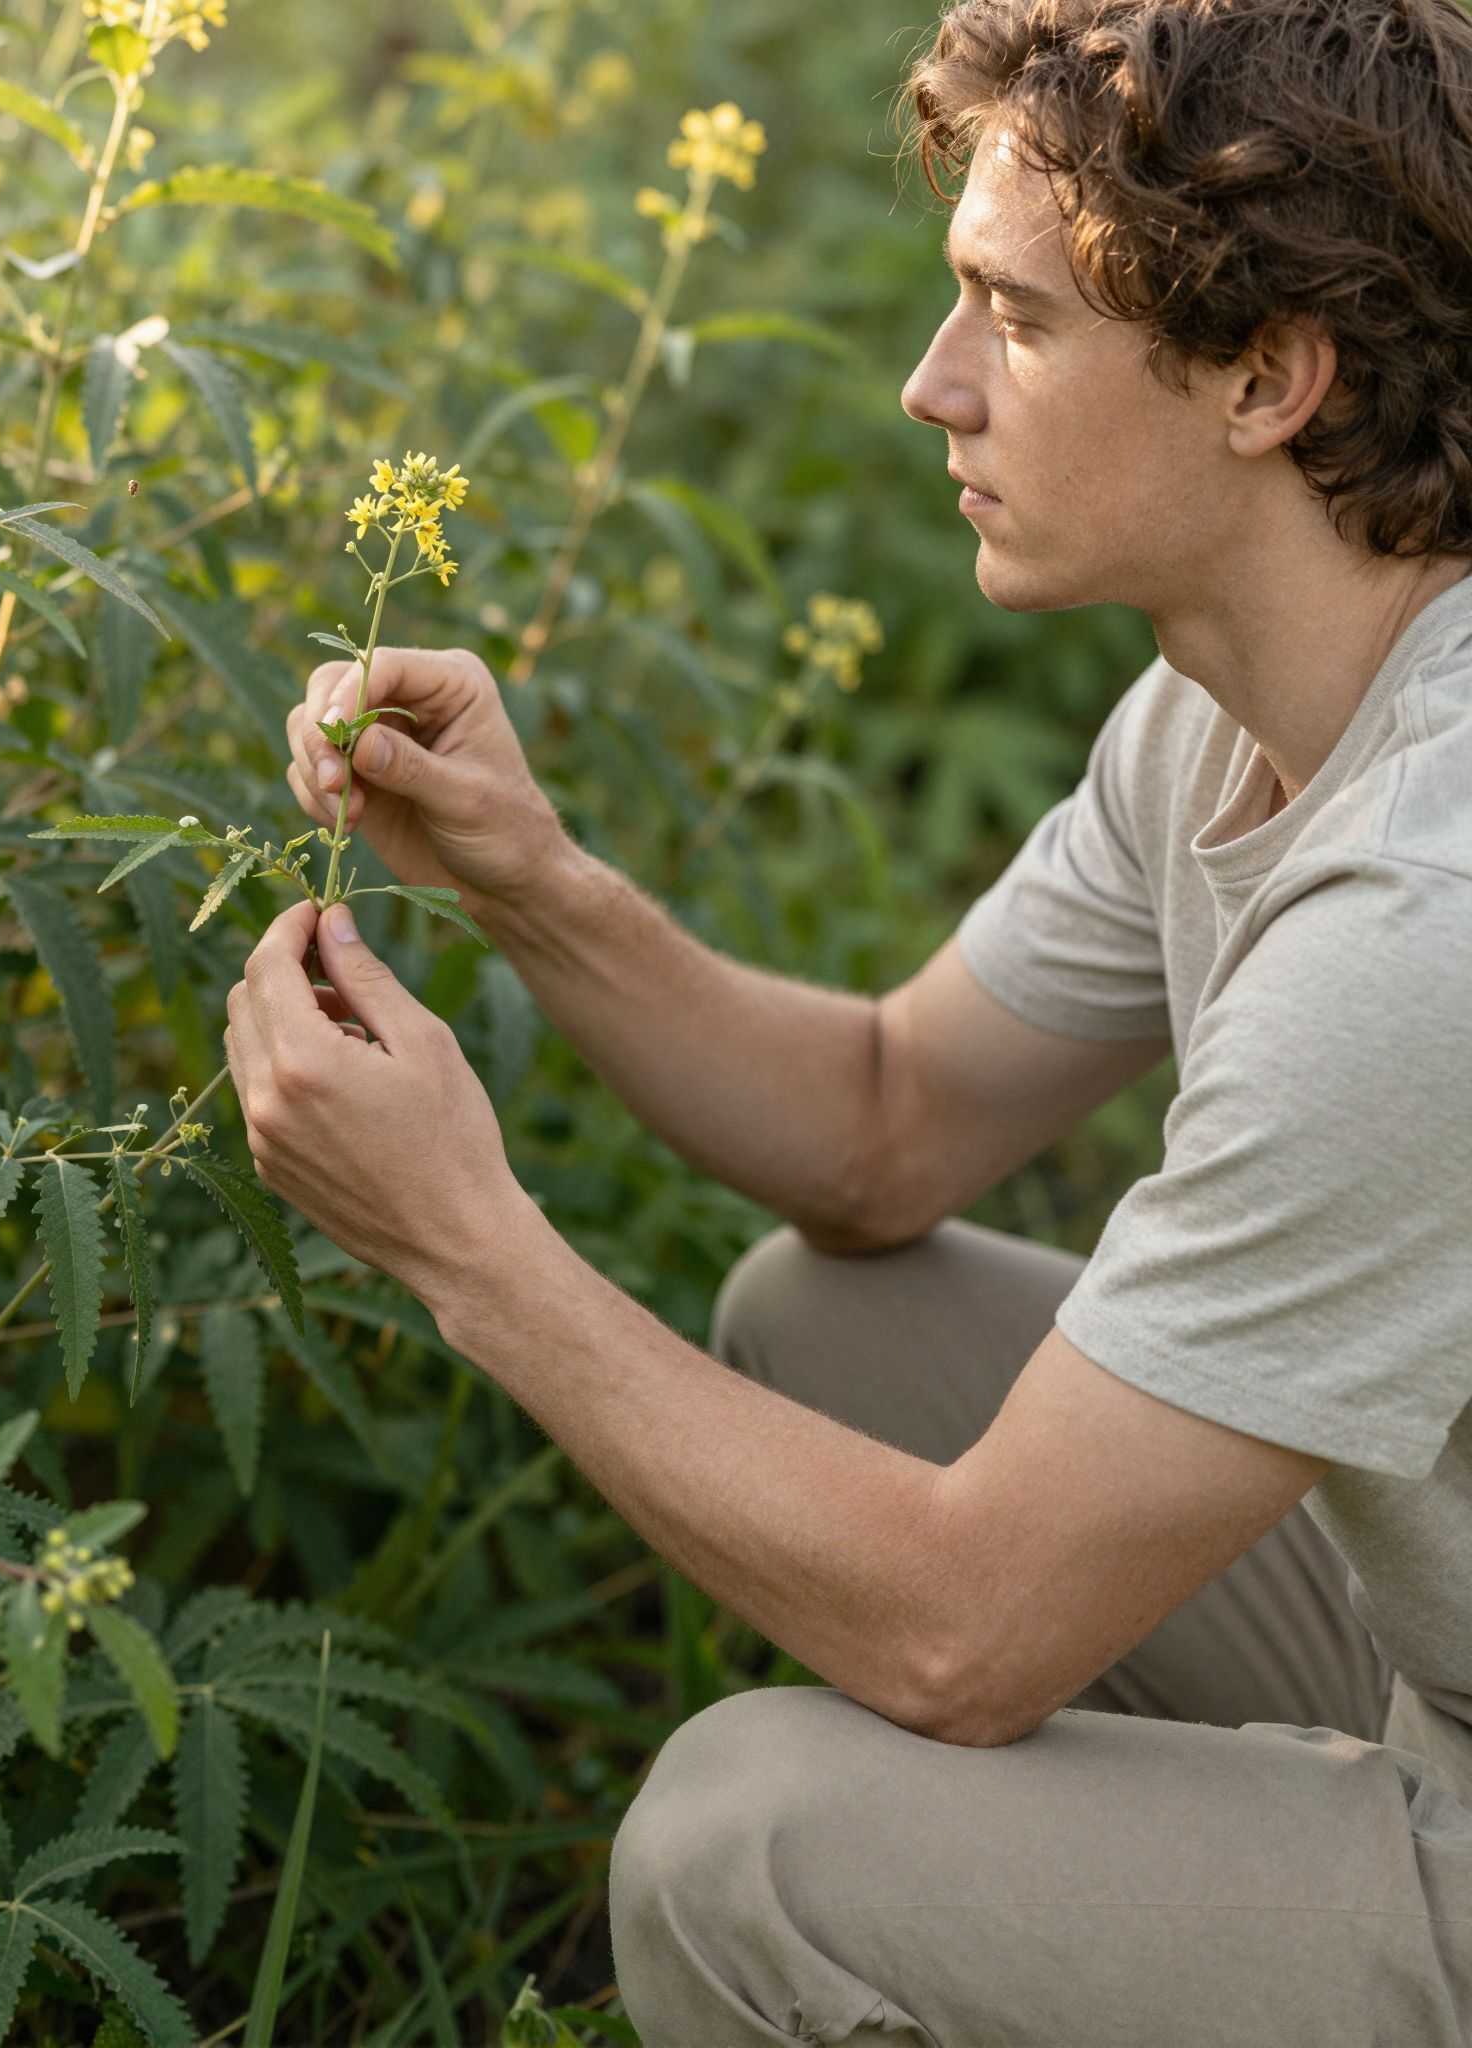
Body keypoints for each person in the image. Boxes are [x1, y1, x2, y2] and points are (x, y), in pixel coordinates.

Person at [223, 0, 1472, 2036]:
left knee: (743, 1846)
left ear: (1268, 379)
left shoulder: (1431, 905)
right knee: (830, 1321)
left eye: (1016, 319)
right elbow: (890, 1119)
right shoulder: (1233, 708)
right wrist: (533, 880)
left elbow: (964, 1632)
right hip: (1432, 1645)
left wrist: (468, 1245)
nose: (932, 386)